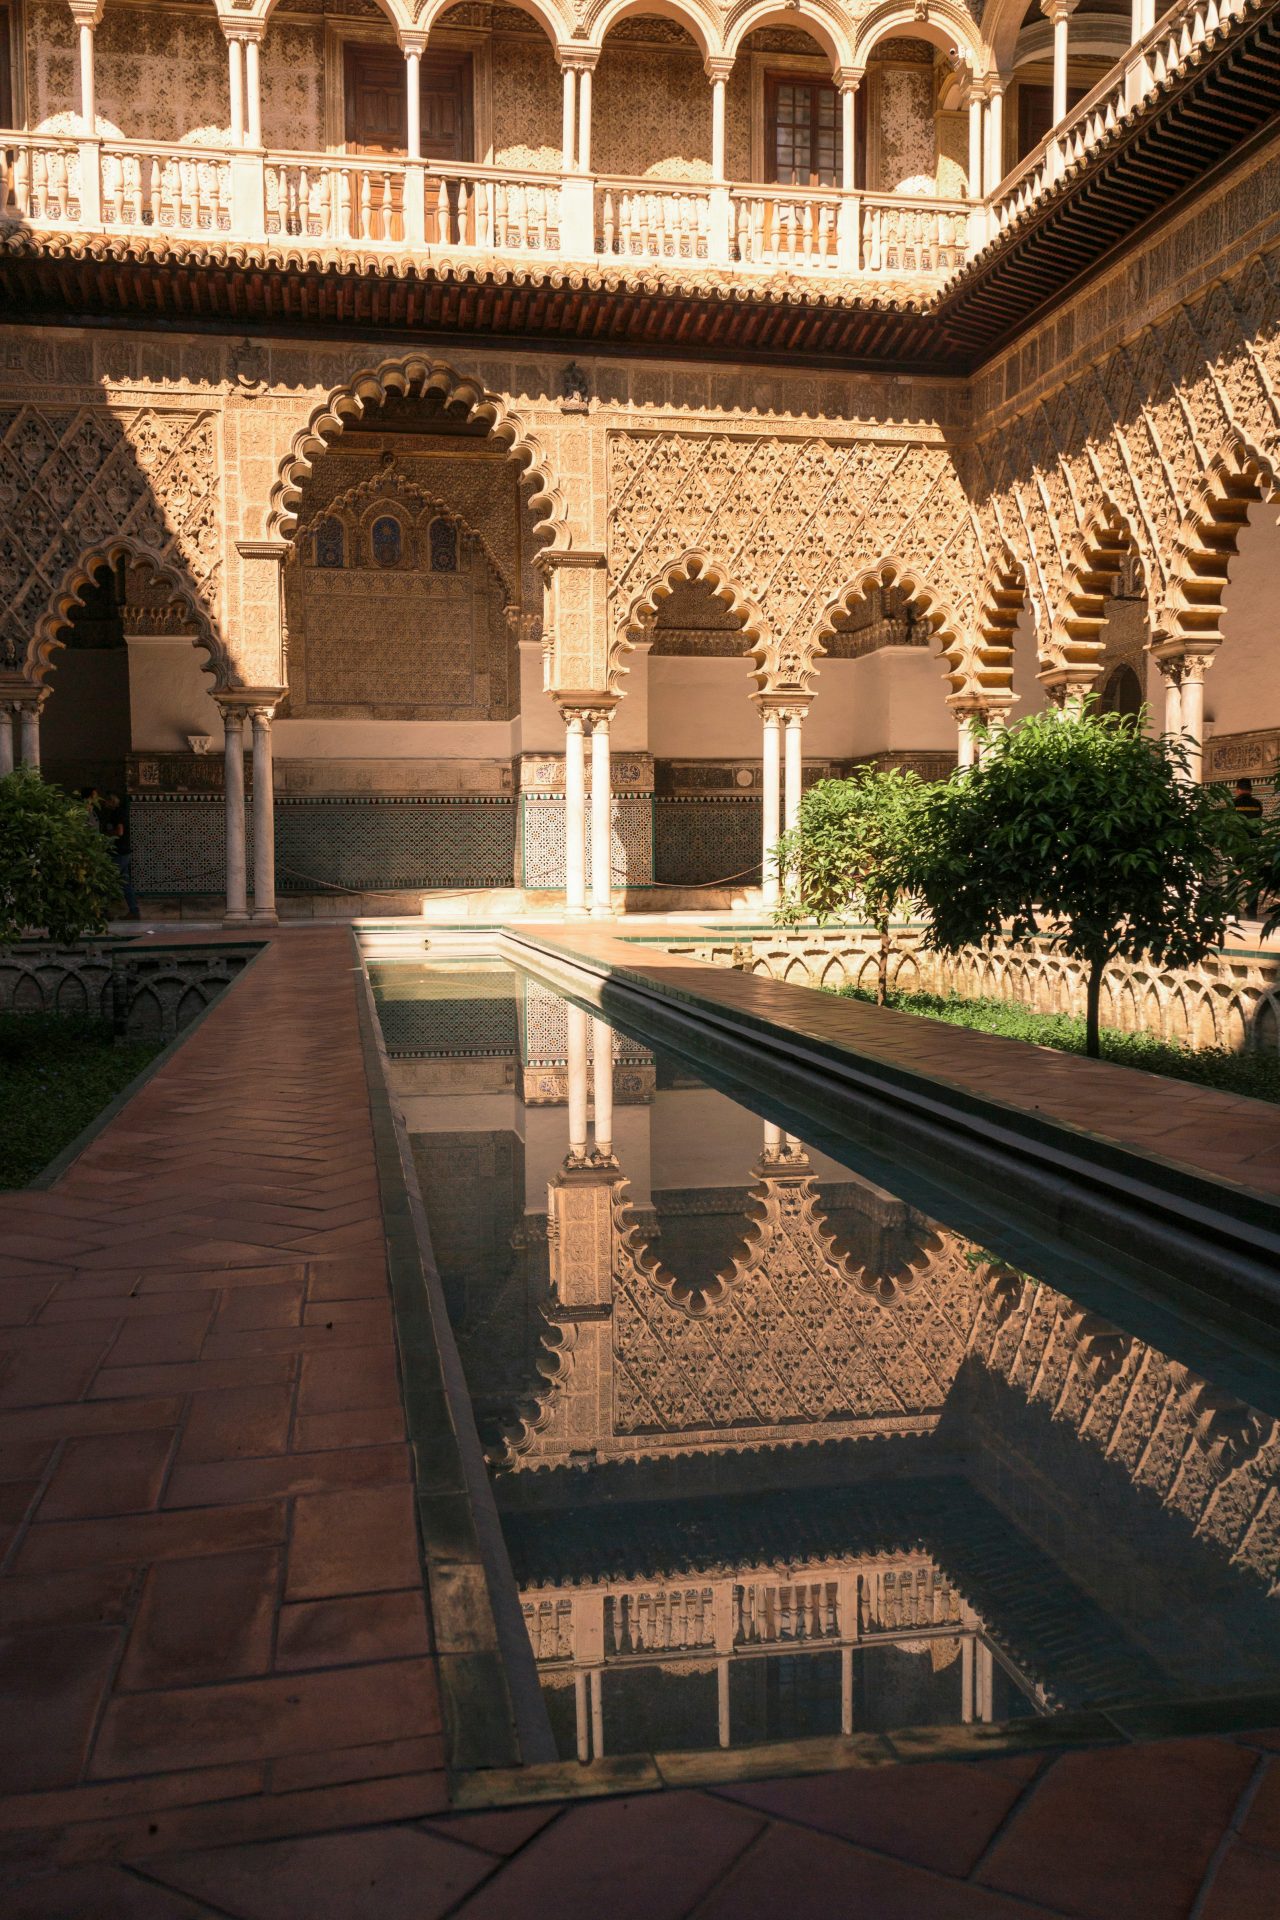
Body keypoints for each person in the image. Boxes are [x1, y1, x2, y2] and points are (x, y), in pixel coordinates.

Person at [100, 792, 141, 920]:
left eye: (106, 801)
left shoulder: (117, 813)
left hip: (119, 853)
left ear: (111, 801)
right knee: (125, 883)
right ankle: (134, 910)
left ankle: (103, 911)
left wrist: (105, 834)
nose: (104, 804)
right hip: (124, 852)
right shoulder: (119, 813)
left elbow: (119, 832)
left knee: (108, 880)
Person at [1233, 777, 1265, 919]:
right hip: (1254, 845)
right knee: (1252, 876)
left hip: (1237, 845)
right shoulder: (1257, 804)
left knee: (1234, 876)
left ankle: (1231, 907)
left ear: (1238, 790)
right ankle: (1251, 909)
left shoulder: (1233, 803)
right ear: (1251, 790)